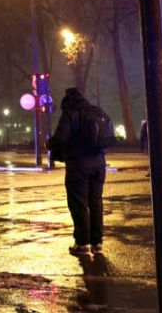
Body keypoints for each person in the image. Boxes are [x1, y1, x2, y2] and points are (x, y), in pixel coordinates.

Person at [48, 87, 108, 256]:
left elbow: (61, 137)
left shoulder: (70, 112)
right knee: (96, 203)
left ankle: (82, 243)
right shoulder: (95, 111)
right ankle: (97, 243)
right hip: (99, 164)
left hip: (78, 165)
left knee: (79, 204)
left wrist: (49, 144)